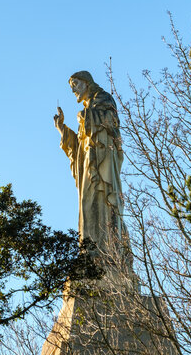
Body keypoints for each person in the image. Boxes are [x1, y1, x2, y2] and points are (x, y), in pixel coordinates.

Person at [54, 71, 128, 262]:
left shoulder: (104, 99)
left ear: (87, 83)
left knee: (102, 204)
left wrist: (87, 116)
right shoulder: (88, 110)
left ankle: (107, 252)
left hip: (103, 167)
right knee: (87, 207)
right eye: (72, 88)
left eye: (76, 85)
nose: (74, 90)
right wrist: (63, 129)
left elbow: (111, 122)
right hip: (88, 165)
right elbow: (79, 149)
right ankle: (91, 253)